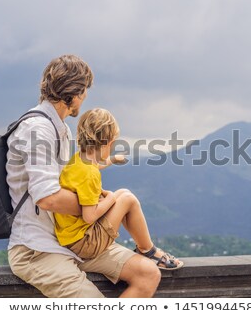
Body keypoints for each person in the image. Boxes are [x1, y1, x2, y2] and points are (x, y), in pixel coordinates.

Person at [6, 55, 161, 297]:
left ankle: (149, 252)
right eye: (85, 90)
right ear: (75, 93)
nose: (86, 96)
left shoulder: (60, 129)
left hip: (69, 239)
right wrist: (100, 205)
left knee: (148, 274)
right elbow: (47, 198)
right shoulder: (38, 129)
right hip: (37, 250)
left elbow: (73, 179)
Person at [55, 108, 184, 271]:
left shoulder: (79, 160)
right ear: (107, 142)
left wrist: (113, 159)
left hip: (70, 236)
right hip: (84, 244)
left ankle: (145, 248)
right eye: (112, 144)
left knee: (123, 193)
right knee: (127, 198)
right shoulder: (89, 174)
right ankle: (149, 251)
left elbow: (96, 165)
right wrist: (110, 199)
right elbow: (89, 216)